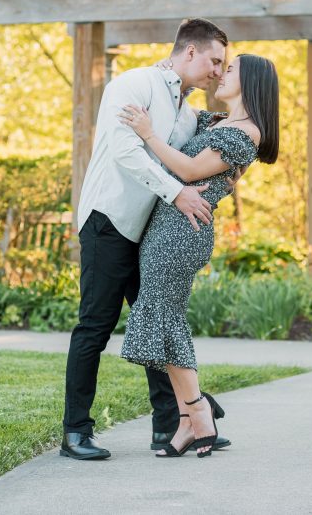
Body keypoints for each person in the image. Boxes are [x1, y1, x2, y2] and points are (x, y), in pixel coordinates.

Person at [61, 18, 231, 460]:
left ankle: (172, 427)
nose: (217, 71)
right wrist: (178, 195)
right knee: (94, 327)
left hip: (147, 229)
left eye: (223, 65)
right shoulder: (132, 84)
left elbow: (200, 154)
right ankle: (75, 431)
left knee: (154, 322)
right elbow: (124, 150)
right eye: (214, 60)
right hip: (109, 221)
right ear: (189, 52)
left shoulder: (189, 111)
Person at [118, 53, 280, 457]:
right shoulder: (219, 122)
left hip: (183, 232)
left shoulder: (247, 134)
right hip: (169, 226)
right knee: (163, 315)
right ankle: (190, 421)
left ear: (252, 81)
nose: (221, 75)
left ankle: (197, 410)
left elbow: (190, 171)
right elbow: (181, 109)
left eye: (230, 70)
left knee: (164, 316)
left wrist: (146, 133)